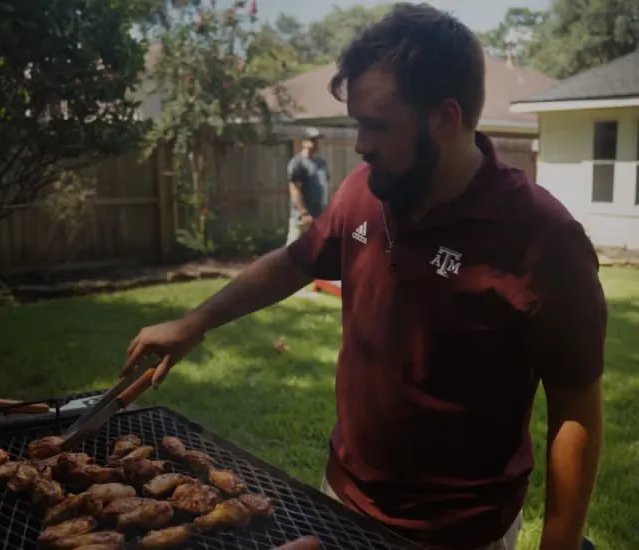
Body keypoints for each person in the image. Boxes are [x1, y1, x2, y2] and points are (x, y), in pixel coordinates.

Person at [123, 4, 605, 550]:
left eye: (376, 124)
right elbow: (296, 260)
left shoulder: (542, 239)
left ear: (445, 118)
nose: (360, 143)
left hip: (460, 531)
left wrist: (560, 543)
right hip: (342, 497)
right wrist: (197, 320)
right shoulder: (365, 189)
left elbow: (576, 404)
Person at [286, 127, 329, 245]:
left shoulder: (321, 163)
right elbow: (295, 189)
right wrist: (304, 213)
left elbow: (324, 188)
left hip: (318, 215)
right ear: (303, 142)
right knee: (292, 252)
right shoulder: (297, 163)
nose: (314, 143)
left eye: (316, 140)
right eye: (311, 140)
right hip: (301, 218)